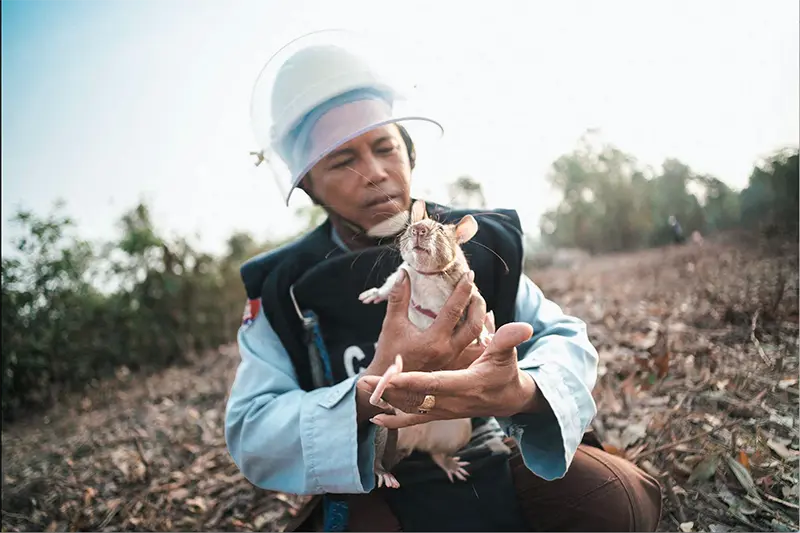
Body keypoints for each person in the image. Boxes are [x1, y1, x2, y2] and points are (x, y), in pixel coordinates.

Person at [225, 30, 663, 532]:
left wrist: (519, 391)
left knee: (616, 504)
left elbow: (565, 339)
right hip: (376, 478)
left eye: (385, 147)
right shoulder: (285, 288)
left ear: (408, 150)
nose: (375, 174)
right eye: (342, 160)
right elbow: (251, 428)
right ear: (307, 180)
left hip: (489, 446)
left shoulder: (473, 241)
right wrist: (373, 391)